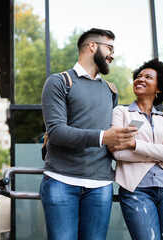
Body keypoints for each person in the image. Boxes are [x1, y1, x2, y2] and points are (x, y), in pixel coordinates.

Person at [40, 28, 138, 240]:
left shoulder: (110, 90)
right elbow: (56, 132)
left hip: (100, 185)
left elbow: (110, 136)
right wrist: (104, 137)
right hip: (61, 181)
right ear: (92, 46)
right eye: (109, 48)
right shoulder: (59, 82)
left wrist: (122, 140)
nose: (112, 55)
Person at [109, 58, 163, 240]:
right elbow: (118, 152)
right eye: (139, 76)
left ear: (159, 88)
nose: (140, 79)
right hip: (137, 189)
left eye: (148, 77)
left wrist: (135, 144)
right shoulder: (121, 112)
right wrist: (161, 155)